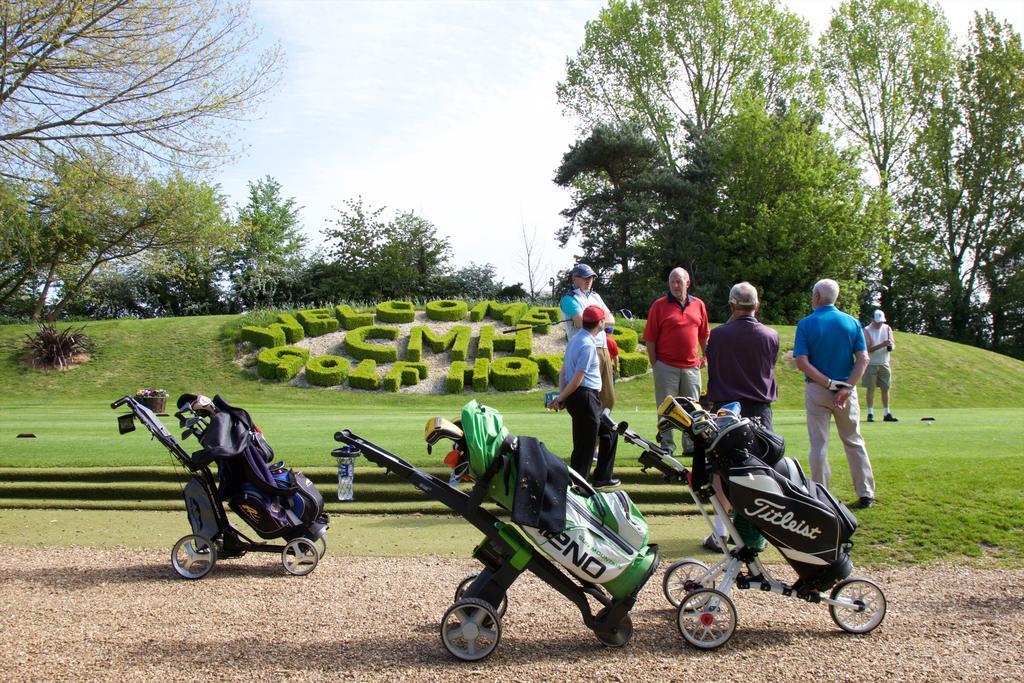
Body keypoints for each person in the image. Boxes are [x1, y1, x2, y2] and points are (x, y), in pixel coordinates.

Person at [702, 281, 780, 551]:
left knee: (720, 471)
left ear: (732, 305)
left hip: (725, 409)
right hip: (758, 410)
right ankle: (754, 532)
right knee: (757, 471)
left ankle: (721, 532)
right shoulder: (771, 335)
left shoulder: (719, 335)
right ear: (756, 305)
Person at [793, 279, 877, 509]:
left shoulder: (806, 324)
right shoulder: (851, 322)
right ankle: (865, 492)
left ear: (818, 297)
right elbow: (863, 358)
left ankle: (821, 494)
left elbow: (801, 362)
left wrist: (827, 383)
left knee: (819, 443)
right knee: (854, 440)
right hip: (846, 391)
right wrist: (847, 387)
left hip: (818, 389)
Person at [547, 305, 619, 488]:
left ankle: (602, 477)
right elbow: (578, 380)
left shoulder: (575, 339)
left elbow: (562, 373)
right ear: (600, 323)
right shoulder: (588, 345)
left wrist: (562, 397)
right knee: (585, 447)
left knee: (608, 431)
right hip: (586, 397)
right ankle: (579, 486)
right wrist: (561, 398)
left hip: (581, 398)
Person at [643, 267, 709, 454]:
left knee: (693, 408)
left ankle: (691, 446)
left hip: (691, 366)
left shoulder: (698, 305)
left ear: (687, 283)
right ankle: (667, 445)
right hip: (666, 366)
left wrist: (705, 355)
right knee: (666, 408)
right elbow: (650, 339)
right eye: (672, 281)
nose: (675, 285)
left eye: (679, 281)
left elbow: (704, 334)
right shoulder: (659, 305)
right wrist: (655, 364)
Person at [559, 264, 616, 412]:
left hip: (603, 349)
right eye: (584, 277)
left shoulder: (596, 296)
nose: (589, 280)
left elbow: (612, 320)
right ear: (574, 278)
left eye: (591, 277)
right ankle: (594, 433)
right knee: (590, 397)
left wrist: (595, 322)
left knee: (608, 398)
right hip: (585, 348)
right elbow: (580, 321)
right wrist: (601, 321)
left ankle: (605, 433)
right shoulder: (569, 298)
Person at [863, 309, 897, 422]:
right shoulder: (866, 330)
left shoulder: (887, 329)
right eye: (878, 322)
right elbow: (867, 349)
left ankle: (886, 413)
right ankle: (870, 413)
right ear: (873, 320)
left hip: (884, 363)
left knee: (885, 388)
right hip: (871, 363)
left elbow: (892, 343)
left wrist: (890, 346)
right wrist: (882, 345)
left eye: (881, 321)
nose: (880, 324)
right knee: (871, 388)